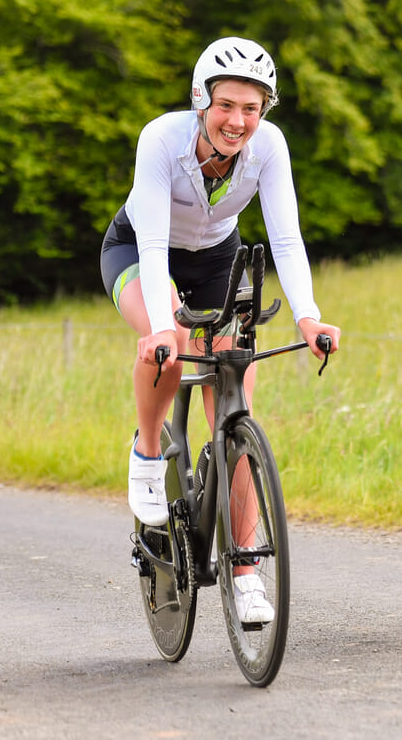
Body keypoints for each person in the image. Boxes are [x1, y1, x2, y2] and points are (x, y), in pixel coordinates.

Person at [100, 36, 341, 622]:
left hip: (215, 260)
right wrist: (162, 325)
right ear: (200, 99)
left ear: (265, 111)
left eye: (252, 109)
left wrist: (307, 315)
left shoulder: (270, 147)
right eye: (226, 105)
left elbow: (286, 237)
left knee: (235, 401)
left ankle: (246, 570)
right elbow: (153, 248)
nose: (238, 121)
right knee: (173, 346)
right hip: (140, 248)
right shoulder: (161, 138)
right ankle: (149, 452)